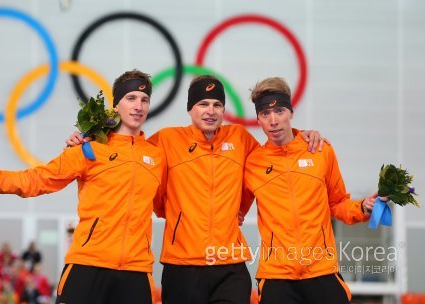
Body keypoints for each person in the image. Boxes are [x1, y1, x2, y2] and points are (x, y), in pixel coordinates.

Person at [67, 74, 325, 303]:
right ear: (190, 109)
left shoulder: (240, 139)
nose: (210, 111)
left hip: (229, 264)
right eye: (203, 104)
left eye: (217, 105)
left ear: (224, 110)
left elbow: (273, 159)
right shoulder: (167, 140)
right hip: (182, 266)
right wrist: (89, 138)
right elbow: (128, 150)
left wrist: (303, 136)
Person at [0, 69, 164, 304]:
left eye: (145, 100)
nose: (139, 106)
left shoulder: (156, 156)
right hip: (88, 265)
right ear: (116, 106)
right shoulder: (89, 149)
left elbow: (170, 203)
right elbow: (35, 180)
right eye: (131, 98)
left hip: (136, 272)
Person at [243, 77, 378, 304]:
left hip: (321, 269)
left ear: (291, 113)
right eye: (265, 114)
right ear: (258, 119)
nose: (273, 120)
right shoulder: (252, 162)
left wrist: (363, 207)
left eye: (280, 111)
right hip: (277, 276)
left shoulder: (320, 150)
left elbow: (337, 203)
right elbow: (232, 208)